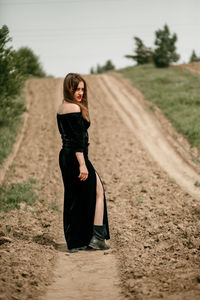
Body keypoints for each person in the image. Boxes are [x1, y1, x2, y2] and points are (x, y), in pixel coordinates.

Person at [57, 73, 110, 253]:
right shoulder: (74, 108)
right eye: (76, 89)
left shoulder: (62, 107)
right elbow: (78, 139)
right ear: (68, 88)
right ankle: (97, 238)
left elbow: (68, 136)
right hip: (76, 157)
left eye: (82, 89)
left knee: (74, 196)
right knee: (98, 191)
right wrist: (82, 164)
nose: (80, 92)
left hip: (65, 155)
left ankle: (75, 241)